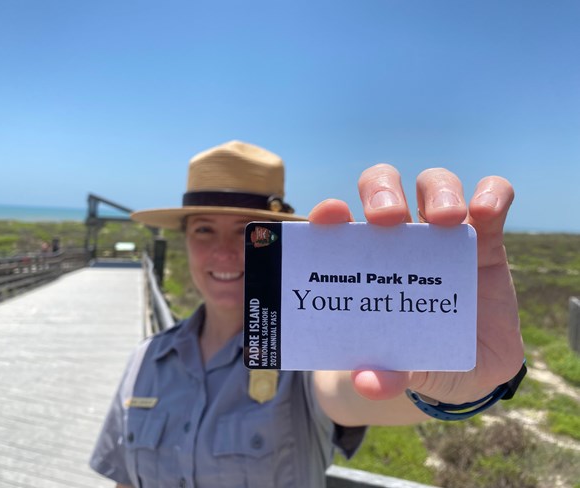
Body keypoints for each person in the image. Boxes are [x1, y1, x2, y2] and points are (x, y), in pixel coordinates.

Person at [90, 140, 525, 488]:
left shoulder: (306, 350)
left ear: (278, 243)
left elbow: (348, 390)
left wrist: (450, 373)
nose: (224, 252)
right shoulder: (145, 360)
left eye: (247, 232)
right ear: (185, 239)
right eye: (204, 229)